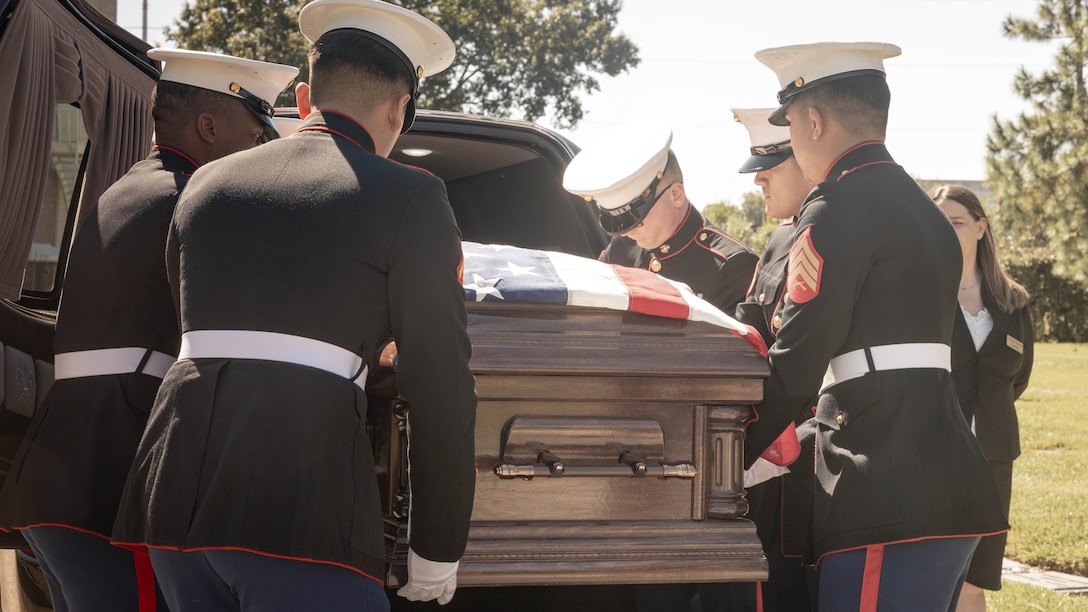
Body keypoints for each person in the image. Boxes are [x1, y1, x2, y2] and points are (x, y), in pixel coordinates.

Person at [110, 1, 476, 610]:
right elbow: (440, 384)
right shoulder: (412, 197)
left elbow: (189, 323)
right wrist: (436, 546)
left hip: (171, 500)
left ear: (305, 98)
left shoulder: (205, 184)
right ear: (398, 109)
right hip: (301, 506)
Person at [0, 49, 298, 611]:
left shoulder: (125, 191)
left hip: (63, 480)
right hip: (115, 487)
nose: (261, 151)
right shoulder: (197, 205)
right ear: (208, 127)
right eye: (258, 135)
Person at [745, 42, 1011, 611]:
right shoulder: (925, 212)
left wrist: (724, 454)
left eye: (790, 125)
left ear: (813, 121)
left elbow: (795, 364)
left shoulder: (834, 209)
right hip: (948, 487)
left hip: (880, 491)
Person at [730, 107, 818, 611]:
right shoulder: (782, 238)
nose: (758, 179)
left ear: (806, 158)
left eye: (771, 165)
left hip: (817, 464)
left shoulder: (832, 232)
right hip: (767, 464)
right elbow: (748, 329)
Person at [932, 185, 1034, 612]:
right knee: (934, 573)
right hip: (935, 451)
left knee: (976, 580)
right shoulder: (925, 295)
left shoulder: (1014, 302)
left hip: (994, 456)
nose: (946, 230)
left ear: (980, 227)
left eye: (956, 222)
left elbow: (1018, 379)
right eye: (939, 222)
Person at [563, 119, 758, 314]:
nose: (627, 231)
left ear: (676, 195)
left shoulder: (732, 264)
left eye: (635, 215)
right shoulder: (621, 248)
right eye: (617, 220)